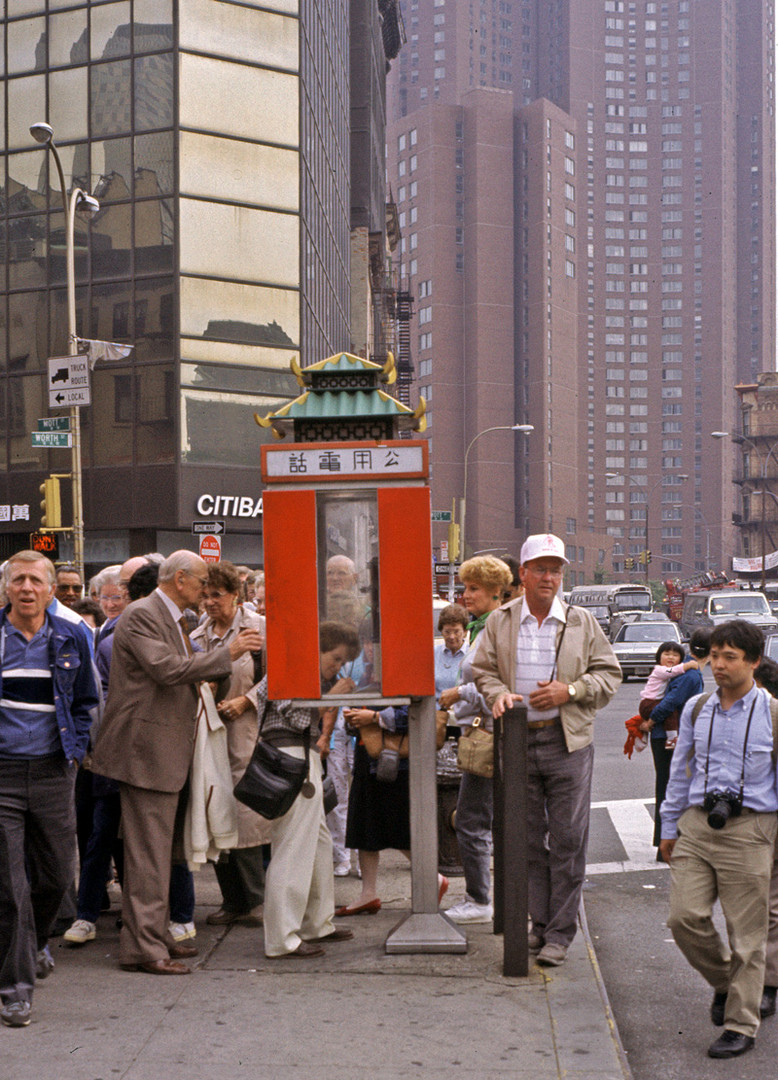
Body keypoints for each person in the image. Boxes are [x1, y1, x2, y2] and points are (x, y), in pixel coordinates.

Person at [90, 550, 263, 975]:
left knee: (163, 853)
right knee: (148, 855)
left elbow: (183, 673)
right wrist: (231, 652)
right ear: (181, 579)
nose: (206, 590)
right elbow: (167, 670)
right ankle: (144, 948)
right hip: (146, 752)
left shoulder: (171, 618)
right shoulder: (146, 614)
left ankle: (154, 934)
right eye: (202, 581)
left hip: (164, 750)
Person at [471, 533, 621, 966]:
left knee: (569, 839)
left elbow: (608, 676)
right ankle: (539, 925)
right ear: (523, 573)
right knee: (527, 840)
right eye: (541, 569)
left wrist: (570, 690)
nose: (549, 578)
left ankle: (560, 932)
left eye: (556, 570)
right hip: (516, 741)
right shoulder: (501, 620)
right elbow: (482, 669)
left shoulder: (580, 621)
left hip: (567, 742)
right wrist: (497, 692)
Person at [659, 620, 778, 1060]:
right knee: (683, 918)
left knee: (748, 935)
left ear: (754, 662)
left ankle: (740, 1024)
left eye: (730, 657)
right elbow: (679, 773)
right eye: (715, 655)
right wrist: (668, 827)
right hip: (697, 822)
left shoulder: (773, 713)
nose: (719, 664)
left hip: (751, 829)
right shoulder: (696, 707)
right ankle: (729, 985)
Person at [0, 551, 99, 1028]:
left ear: (49, 589)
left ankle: (37, 940)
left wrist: (76, 751)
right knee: (9, 889)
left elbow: (87, 700)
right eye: (17, 579)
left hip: (53, 772)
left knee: (57, 877)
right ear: (6, 589)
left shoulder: (71, 634)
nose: (26, 588)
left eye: (35, 580)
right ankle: (16, 988)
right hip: (2, 776)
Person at [261, 621, 359, 957]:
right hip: (291, 754)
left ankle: (316, 923)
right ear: (316, 649)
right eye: (333, 658)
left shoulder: (302, 668)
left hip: (304, 754)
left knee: (317, 841)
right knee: (294, 847)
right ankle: (282, 937)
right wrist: (330, 696)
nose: (335, 666)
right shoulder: (293, 667)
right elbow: (295, 713)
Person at [190, 561, 269, 928]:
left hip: (247, 733)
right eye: (204, 595)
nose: (209, 602)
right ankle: (231, 899)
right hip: (210, 734)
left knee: (246, 813)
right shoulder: (198, 636)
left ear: (236, 595)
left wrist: (247, 700)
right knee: (215, 807)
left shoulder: (258, 630)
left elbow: (278, 679)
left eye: (216, 595)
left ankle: (255, 899)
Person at [438, 558, 512, 924]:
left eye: (474, 589)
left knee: (471, 819)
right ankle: (487, 897)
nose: (465, 595)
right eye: (465, 588)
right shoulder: (484, 627)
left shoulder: (495, 628)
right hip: (483, 733)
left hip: (489, 735)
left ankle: (480, 898)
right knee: (483, 819)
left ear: (496, 592)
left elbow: (496, 688)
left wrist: (459, 693)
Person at [645, 628, 711, 853]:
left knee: (670, 788)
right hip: (667, 737)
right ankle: (666, 844)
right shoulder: (691, 674)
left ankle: (667, 842)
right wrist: (651, 721)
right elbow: (670, 702)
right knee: (669, 788)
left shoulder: (690, 670)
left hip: (671, 735)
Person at [638, 641, 699, 749]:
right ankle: (671, 739)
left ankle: (642, 736)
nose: (671, 657)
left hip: (651, 702)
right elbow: (671, 671)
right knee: (671, 712)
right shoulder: (659, 670)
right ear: (659, 657)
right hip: (649, 702)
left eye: (675, 655)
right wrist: (687, 665)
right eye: (666, 654)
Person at [434, 603, 468, 704]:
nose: (452, 637)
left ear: (465, 632)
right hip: (436, 714)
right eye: (447, 632)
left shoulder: (472, 655)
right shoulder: (433, 654)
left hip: (462, 714)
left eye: (456, 631)